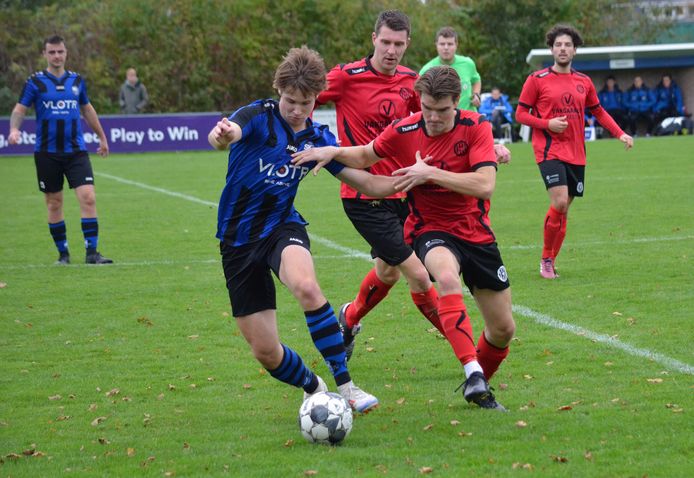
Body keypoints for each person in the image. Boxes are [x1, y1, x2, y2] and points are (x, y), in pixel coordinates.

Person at [294, 66, 515, 411]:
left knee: (502, 330)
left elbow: (484, 184)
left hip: (476, 233)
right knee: (441, 276)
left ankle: (478, 383)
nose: (432, 117)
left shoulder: (476, 127)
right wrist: (332, 152)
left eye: (442, 110)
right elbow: (367, 155)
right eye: (426, 107)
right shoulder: (406, 128)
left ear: (456, 103)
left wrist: (430, 173)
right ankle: (472, 372)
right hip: (430, 229)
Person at [208, 45, 409, 414]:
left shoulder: (317, 138)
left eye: (306, 102)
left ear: (317, 98)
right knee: (266, 352)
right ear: (278, 91)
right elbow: (227, 133)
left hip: (282, 227)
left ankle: (346, 386)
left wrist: (414, 180)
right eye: (290, 101)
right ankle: (313, 386)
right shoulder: (258, 115)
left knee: (305, 285)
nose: (297, 110)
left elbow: (367, 181)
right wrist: (221, 135)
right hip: (236, 241)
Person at [315, 11, 511, 360]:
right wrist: (318, 142)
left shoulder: (412, 81)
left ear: (407, 44)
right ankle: (469, 362)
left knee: (387, 272)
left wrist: (486, 148)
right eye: (386, 42)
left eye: (399, 44)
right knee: (420, 277)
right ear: (373, 39)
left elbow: (434, 126)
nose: (392, 50)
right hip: (366, 195)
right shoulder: (345, 77)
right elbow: (301, 101)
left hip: (408, 191)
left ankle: (348, 318)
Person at [516, 24, 633, 279]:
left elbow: (598, 111)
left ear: (575, 50)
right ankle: (546, 259)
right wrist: (547, 124)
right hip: (548, 150)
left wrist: (620, 133)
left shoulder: (584, 81)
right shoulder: (537, 80)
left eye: (568, 45)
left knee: (564, 209)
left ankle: (551, 260)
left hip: (576, 153)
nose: (563, 49)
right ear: (551, 49)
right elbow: (520, 114)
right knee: (558, 201)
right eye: (558, 45)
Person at [8, 34, 112, 265]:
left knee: (88, 197)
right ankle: (63, 254)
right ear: (44, 54)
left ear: (66, 53)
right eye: (52, 52)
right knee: (54, 202)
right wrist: (14, 129)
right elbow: (19, 109)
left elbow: (87, 110)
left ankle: (92, 253)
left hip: (76, 151)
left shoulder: (76, 81)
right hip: (47, 152)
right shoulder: (35, 82)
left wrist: (102, 137)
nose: (56, 56)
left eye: (60, 52)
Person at [419, 26, 481, 111]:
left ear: (456, 44)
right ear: (436, 44)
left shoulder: (468, 63)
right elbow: (420, 97)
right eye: (442, 44)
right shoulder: (426, 70)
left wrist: (476, 94)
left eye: (450, 44)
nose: (446, 48)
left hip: (469, 118)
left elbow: (476, 80)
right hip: (442, 121)